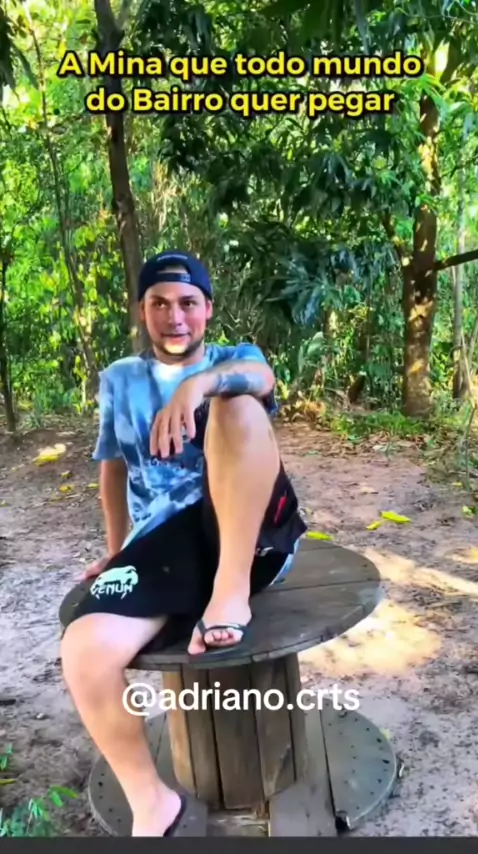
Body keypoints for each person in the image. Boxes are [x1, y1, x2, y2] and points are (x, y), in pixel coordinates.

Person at [60, 249, 307, 836]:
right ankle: (153, 804)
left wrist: (198, 385)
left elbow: (262, 382)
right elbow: (114, 469)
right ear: (142, 311)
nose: (175, 317)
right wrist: (118, 550)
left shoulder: (235, 359)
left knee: (236, 405)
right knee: (84, 651)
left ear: (208, 309)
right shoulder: (120, 379)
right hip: (164, 545)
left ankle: (229, 592)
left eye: (188, 303)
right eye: (160, 304)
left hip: (250, 531)